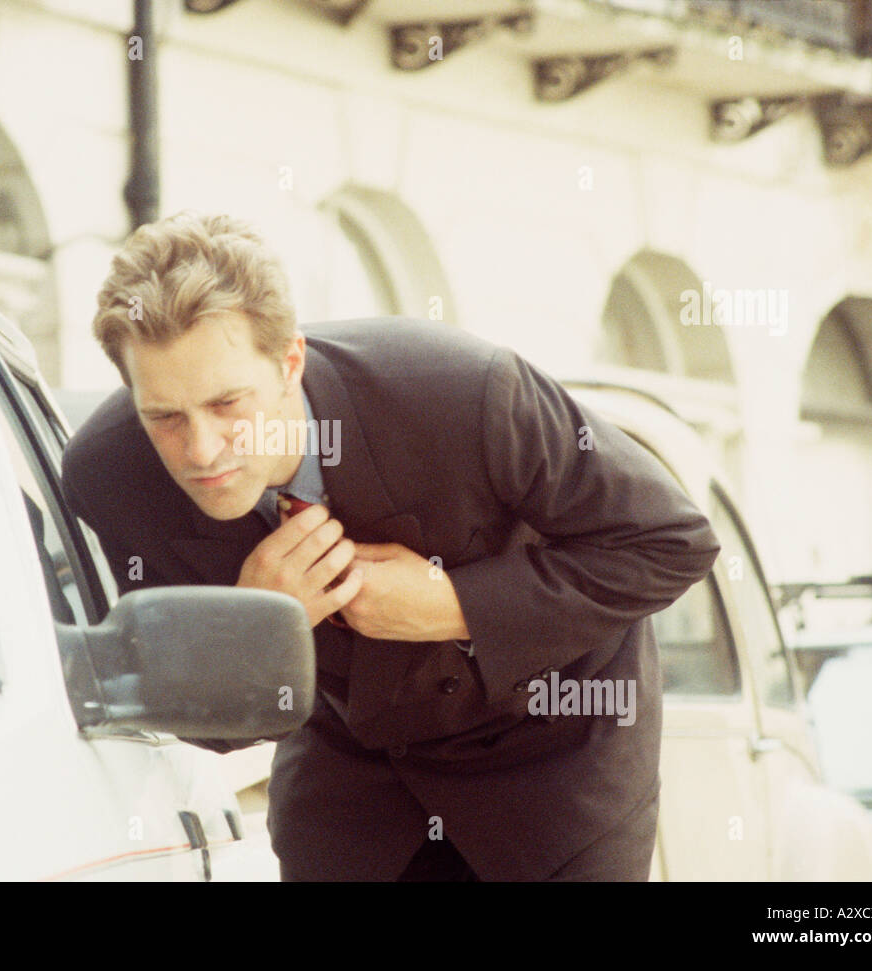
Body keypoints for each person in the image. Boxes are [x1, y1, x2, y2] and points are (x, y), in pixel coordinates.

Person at [61, 211, 721, 881]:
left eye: (229, 404)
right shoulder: (110, 476)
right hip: (353, 772)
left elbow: (671, 540)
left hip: (555, 757)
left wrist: (453, 603)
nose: (200, 450)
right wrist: (248, 635)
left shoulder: (462, 389)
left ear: (291, 361)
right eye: (165, 415)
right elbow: (197, 723)